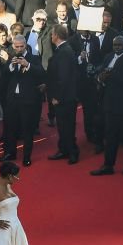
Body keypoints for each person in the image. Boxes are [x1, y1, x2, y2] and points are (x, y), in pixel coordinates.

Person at [90, 36, 123, 176]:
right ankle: (108, 165)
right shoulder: (108, 56)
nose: (116, 47)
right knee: (110, 136)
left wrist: (109, 74)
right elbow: (101, 70)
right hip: (110, 104)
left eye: (119, 45)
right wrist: (100, 77)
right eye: (114, 45)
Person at [1, 35, 44, 166]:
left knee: (27, 129)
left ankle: (27, 156)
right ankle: (11, 153)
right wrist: (11, 66)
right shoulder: (11, 58)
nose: (19, 49)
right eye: (17, 46)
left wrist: (28, 65)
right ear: (13, 46)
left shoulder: (34, 58)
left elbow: (41, 73)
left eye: (21, 46)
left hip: (28, 99)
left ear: (26, 45)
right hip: (13, 99)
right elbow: (4, 75)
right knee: (11, 127)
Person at [46, 24, 80, 164]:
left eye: (52, 34)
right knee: (62, 125)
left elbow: (64, 77)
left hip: (65, 98)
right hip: (64, 96)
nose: (51, 36)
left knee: (67, 126)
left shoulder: (64, 52)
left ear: (57, 35)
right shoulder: (63, 50)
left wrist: (57, 97)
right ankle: (64, 149)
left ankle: (72, 152)